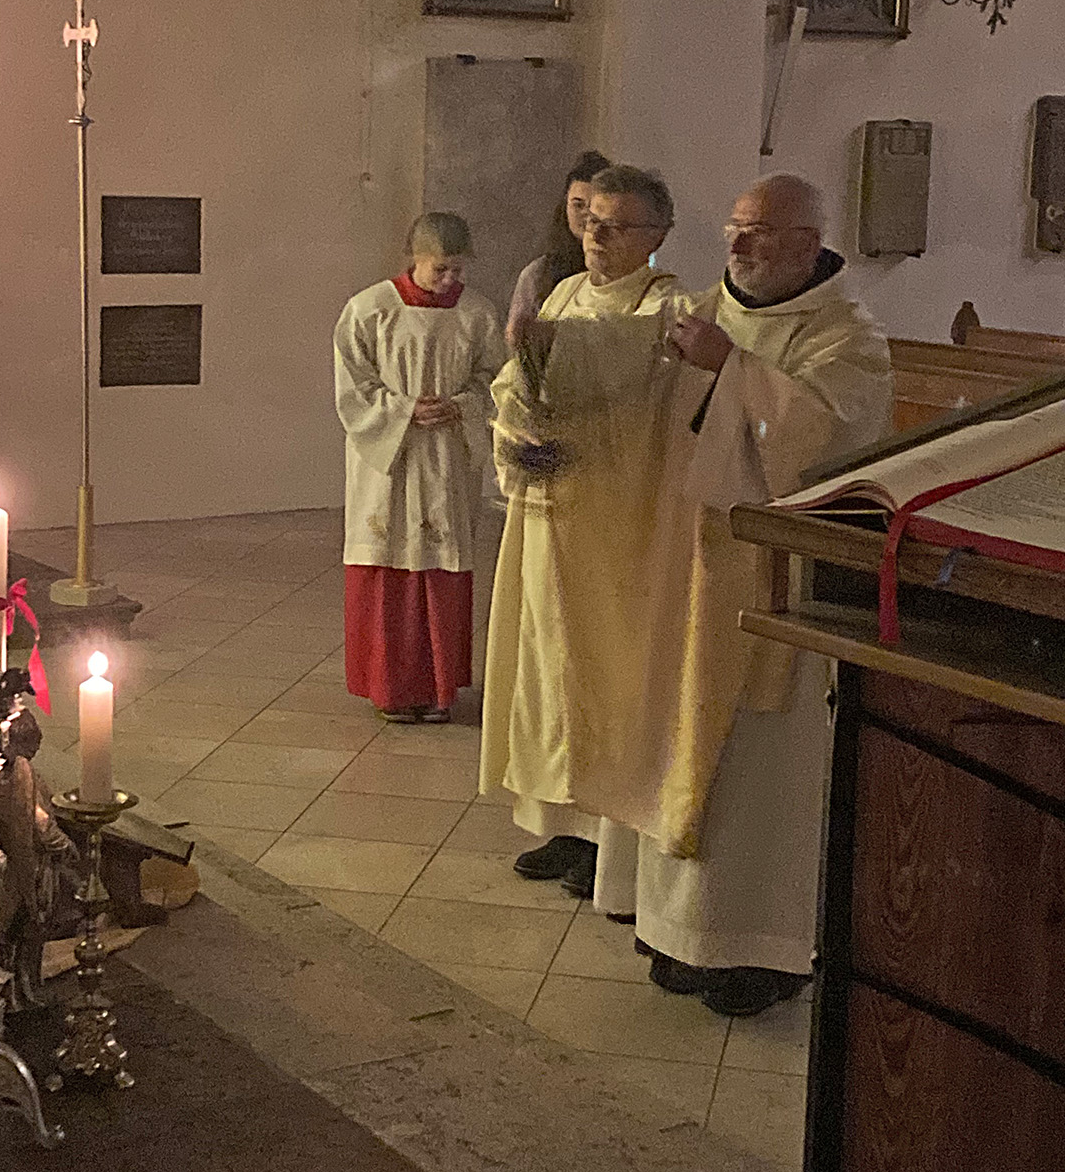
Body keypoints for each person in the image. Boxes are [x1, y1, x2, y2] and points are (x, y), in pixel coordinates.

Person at [509, 172, 894, 1016]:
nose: (740, 247)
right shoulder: (704, 313)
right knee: (669, 736)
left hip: (770, 590)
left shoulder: (846, 338)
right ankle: (676, 933)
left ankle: (753, 954)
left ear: (809, 242)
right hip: (679, 567)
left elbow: (826, 438)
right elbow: (628, 392)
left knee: (751, 774)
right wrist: (539, 360)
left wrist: (734, 374)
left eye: (760, 234)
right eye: (734, 229)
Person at [481, 165, 685, 900]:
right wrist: (520, 421)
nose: (595, 235)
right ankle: (561, 824)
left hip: (615, 525)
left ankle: (604, 839)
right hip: (551, 511)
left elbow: (630, 373)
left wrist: (550, 350)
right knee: (545, 666)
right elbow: (516, 379)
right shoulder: (565, 289)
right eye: (591, 219)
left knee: (602, 672)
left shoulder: (669, 310)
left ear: (656, 236)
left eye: (615, 224)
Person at [335, 213, 506, 725]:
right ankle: (391, 687)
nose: (451, 280)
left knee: (443, 565)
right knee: (388, 566)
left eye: (457, 270)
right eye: (440, 269)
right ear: (415, 258)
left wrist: (466, 404)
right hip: (389, 460)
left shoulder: (477, 314)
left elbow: (496, 378)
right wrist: (404, 410)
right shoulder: (370, 309)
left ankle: (438, 688)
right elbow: (353, 385)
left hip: (448, 452)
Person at [506, 155, 610, 350]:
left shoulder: (623, 273)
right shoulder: (538, 275)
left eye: (596, 207)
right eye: (578, 205)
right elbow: (517, 350)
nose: (587, 215)